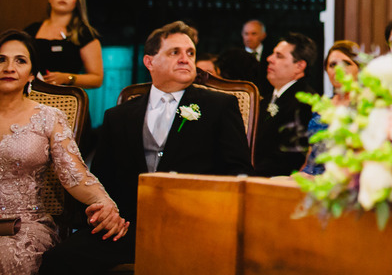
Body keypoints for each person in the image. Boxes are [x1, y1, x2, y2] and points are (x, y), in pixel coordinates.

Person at [39, 21, 252, 274]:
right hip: (127, 229)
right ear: (149, 62)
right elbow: (103, 180)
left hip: (193, 228)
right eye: (175, 52)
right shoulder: (117, 116)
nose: (185, 59)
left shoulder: (220, 106)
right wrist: (110, 217)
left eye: (190, 53)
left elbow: (240, 175)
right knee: (58, 260)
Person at [0, 30, 127, 275]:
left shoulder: (48, 117)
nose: (9, 67)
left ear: (31, 73)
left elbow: (74, 175)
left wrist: (104, 203)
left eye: (20, 60)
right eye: (1, 59)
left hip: (23, 227)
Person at [254, 32, 317, 176]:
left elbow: (292, 155)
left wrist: (251, 175)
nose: (269, 59)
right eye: (272, 54)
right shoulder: (267, 99)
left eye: (279, 56)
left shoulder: (305, 102)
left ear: (299, 66)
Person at [24, 0, 103, 91]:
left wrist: (67, 78)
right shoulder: (31, 30)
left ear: (77, 2)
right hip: (32, 97)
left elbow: (97, 79)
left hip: (66, 100)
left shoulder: (84, 34)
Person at [300, 40, 361, 176]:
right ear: (327, 71)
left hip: (341, 176)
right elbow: (311, 152)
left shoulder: (365, 105)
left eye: (346, 63)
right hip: (309, 173)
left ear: (359, 68)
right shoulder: (322, 104)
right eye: (332, 65)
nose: (338, 69)